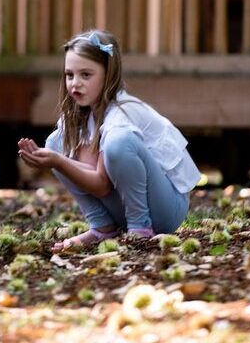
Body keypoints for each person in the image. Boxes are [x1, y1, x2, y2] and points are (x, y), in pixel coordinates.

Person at [17, 30, 200, 252]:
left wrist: (57, 162)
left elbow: (102, 185)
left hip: (166, 210)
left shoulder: (120, 113)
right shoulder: (80, 115)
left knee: (118, 143)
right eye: (69, 75)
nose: (76, 83)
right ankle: (103, 227)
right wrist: (54, 158)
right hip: (128, 203)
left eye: (86, 75)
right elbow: (91, 172)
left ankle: (139, 228)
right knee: (56, 143)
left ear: (108, 74)